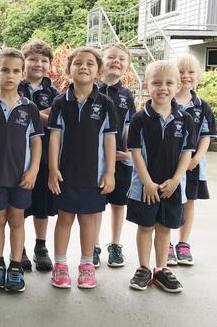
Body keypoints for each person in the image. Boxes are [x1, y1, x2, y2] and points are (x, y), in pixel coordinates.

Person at [0, 48, 43, 292]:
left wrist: (33, 170)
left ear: (22, 74)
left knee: (16, 220)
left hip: (21, 177)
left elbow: (36, 141)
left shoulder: (30, 108)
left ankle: (15, 265)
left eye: (16, 71)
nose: (10, 75)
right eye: (5, 70)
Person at [48, 47, 116, 289]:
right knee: (64, 218)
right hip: (65, 173)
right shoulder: (60, 103)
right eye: (78, 63)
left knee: (88, 220)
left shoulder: (106, 103)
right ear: (69, 69)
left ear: (98, 71)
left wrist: (109, 172)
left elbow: (109, 139)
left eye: (90, 63)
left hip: (93, 175)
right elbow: (55, 138)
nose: (84, 67)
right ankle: (60, 265)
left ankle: (87, 266)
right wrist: (52, 169)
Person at [126, 60, 196, 293]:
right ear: (146, 85)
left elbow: (187, 152)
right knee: (145, 226)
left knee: (165, 228)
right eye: (156, 83)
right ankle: (144, 268)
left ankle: (161, 269)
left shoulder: (184, 119)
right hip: (145, 186)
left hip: (171, 186)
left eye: (169, 83)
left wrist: (176, 180)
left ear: (178, 86)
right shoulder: (139, 119)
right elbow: (135, 153)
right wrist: (146, 182)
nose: (162, 88)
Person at [171, 53, 217, 266]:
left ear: (198, 75)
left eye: (191, 72)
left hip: (192, 166)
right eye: (181, 72)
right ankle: (166, 244)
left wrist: (196, 158)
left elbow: (206, 135)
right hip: (168, 163)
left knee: (189, 202)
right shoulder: (166, 101)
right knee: (168, 200)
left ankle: (183, 243)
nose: (186, 76)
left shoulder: (202, 106)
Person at [93, 43, 136, 268]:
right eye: (111, 57)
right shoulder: (91, 89)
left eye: (121, 59)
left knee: (118, 202)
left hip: (120, 158)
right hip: (96, 159)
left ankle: (115, 245)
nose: (116, 62)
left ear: (127, 66)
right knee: (97, 203)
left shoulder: (126, 95)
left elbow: (129, 127)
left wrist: (127, 153)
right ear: (102, 62)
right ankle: (93, 245)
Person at [18, 39, 59, 271]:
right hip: (17, 156)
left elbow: (57, 118)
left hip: (44, 157)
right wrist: (42, 114)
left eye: (44, 60)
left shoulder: (55, 92)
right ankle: (19, 248)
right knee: (20, 207)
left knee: (41, 207)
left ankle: (40, 247)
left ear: (50, 65)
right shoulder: (15, 86)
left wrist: (30, 111)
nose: (38, 64)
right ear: (24, 62)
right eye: (32, 59)